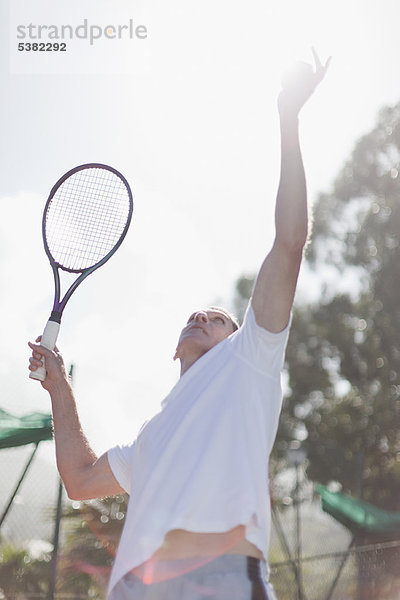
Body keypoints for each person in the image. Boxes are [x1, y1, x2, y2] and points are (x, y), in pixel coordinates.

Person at [28, 50, 330, 600]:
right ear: (173, 352)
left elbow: (289, 245)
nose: (202, 316)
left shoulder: (249, 362)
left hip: (221, 581)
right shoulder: (150, 437)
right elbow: (78, 478)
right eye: (196, 316)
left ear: (239, 337)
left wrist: (289, 121)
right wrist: (59, 385)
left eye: (218, 319)